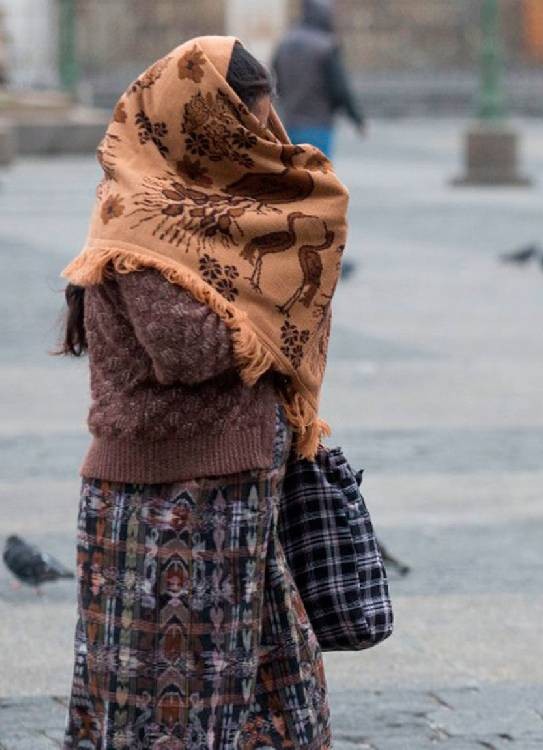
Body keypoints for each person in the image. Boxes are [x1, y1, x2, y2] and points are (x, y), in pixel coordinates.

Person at [59, 35, 348, 749]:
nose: (264, 137)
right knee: (168, 699)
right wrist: (271, 303)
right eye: (247, 122)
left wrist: (272, 287)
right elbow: (186, 350)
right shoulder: (145, 216)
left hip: (235, 488)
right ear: (203, 125)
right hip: (169, 499)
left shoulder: (226, 211)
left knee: (261, 691)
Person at [273, 0, 365, 158]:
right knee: (319, 176)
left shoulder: (285, 44)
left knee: (294, 175)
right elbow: (340, 89)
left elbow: (276, 81)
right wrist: (357, 118)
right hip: (318, 124)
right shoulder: (326, 46)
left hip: (290, 122)